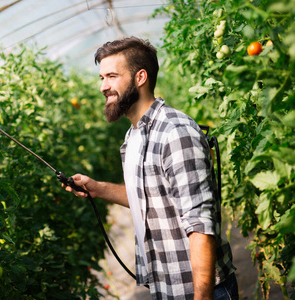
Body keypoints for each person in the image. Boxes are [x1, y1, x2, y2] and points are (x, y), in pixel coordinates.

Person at [64, 37, 237, 300]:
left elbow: (200, 224)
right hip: (166, 286)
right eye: (101, 78)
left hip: (198, 290)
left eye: (111, 76)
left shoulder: (175, 133)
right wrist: (97, 189)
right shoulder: (133, 136)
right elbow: (150, 199)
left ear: (140, 77)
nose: (103, 86)